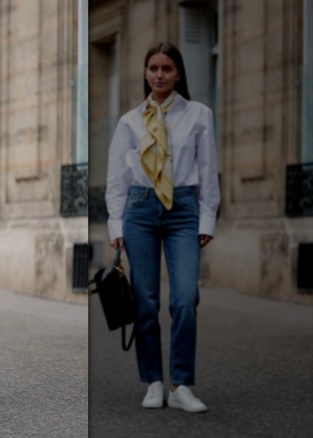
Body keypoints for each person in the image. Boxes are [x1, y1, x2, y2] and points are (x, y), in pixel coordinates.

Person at [105, 42, 220, 413]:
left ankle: (182, 383)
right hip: (139, 210)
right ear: (144, 73)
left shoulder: (200, 115)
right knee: (147, 302)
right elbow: (118, 179)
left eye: (166, 68)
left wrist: (207, 218)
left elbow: (208, 172)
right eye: (152, 68)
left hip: (183, 210)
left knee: (185, 298)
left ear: (178, 74)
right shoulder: (129, 121)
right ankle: (153, 380)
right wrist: (116, 224)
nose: (158, 74)